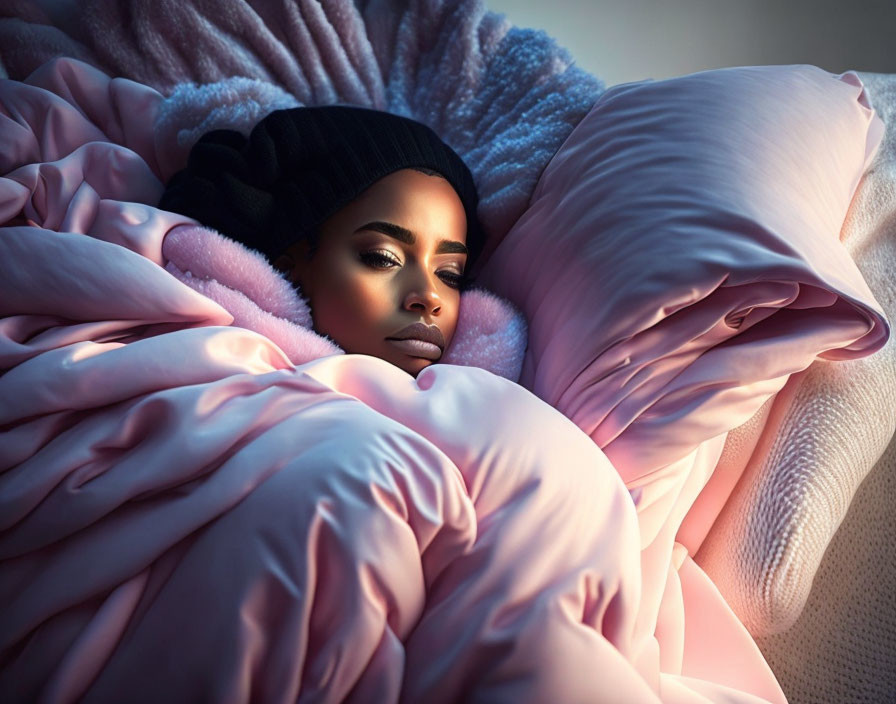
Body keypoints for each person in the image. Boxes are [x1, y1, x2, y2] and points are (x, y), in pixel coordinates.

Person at [159, 105, 486, 377]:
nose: (429, 297)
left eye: (449, 274)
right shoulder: (202, 369)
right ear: (288, 267)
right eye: (383, 257)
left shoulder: (493, 401)